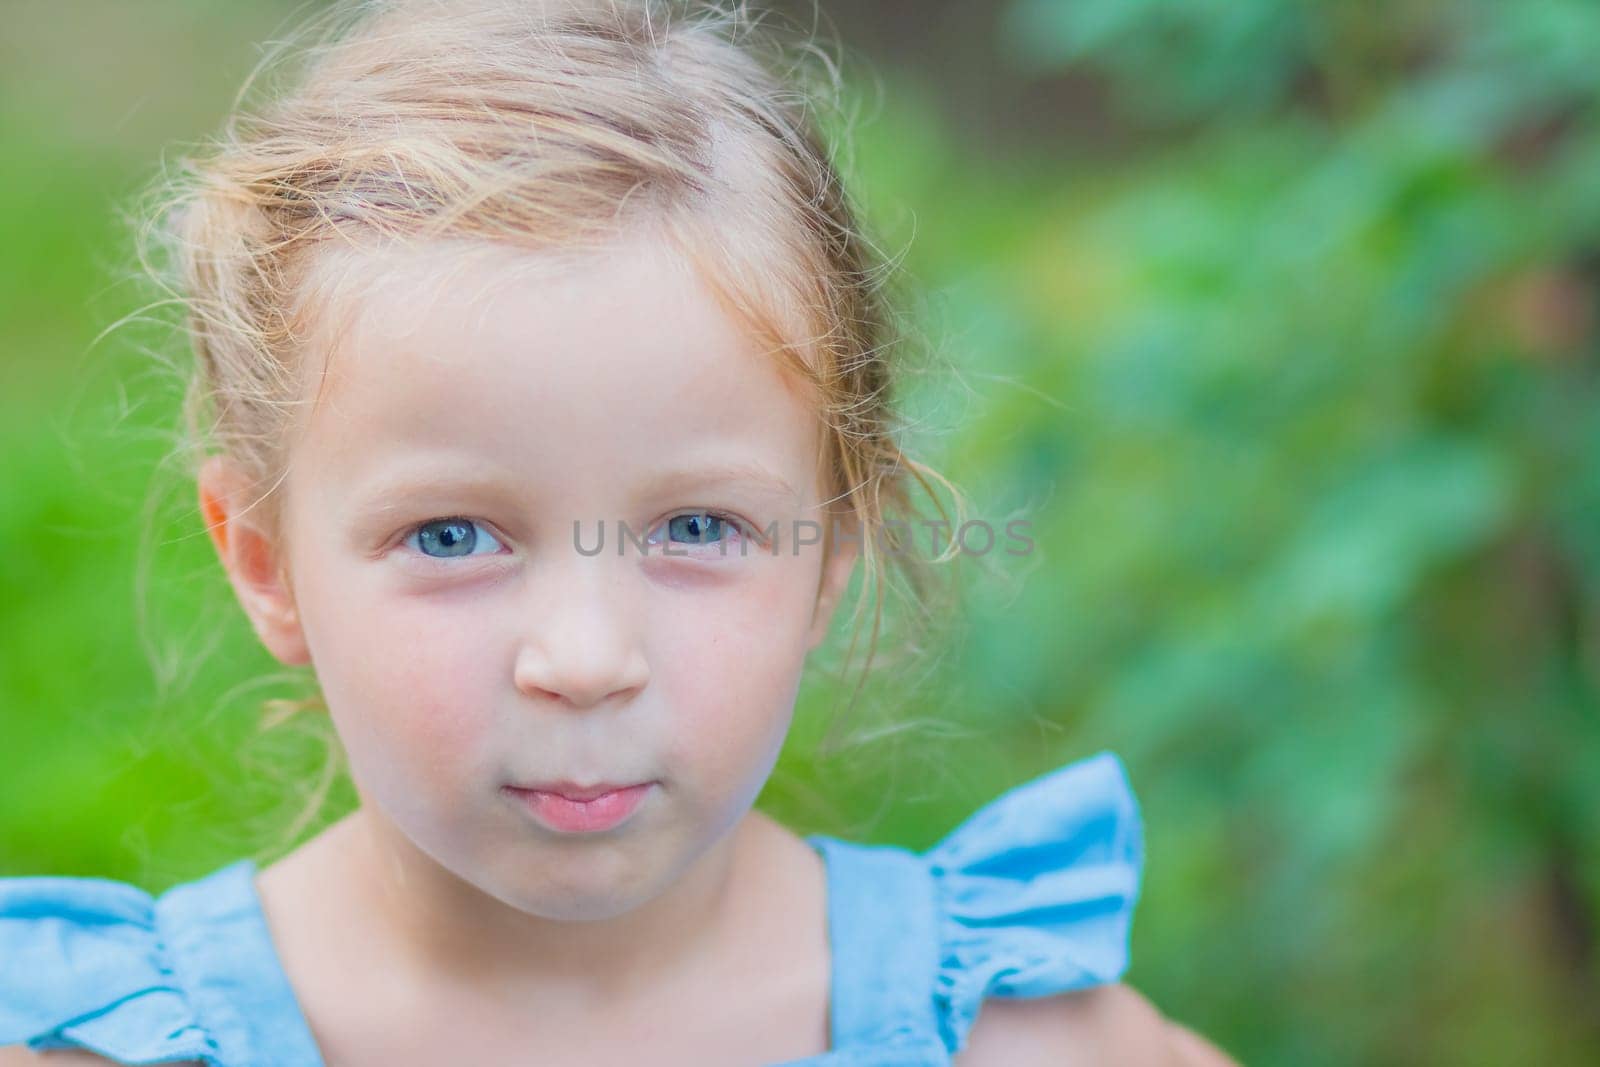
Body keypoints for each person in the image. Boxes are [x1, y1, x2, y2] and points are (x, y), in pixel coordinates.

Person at [0, 1, 1238, 1063]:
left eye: (697, 525)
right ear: (264, 563)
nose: (586, 657)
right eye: (450, 537)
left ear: (831, 552)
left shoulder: (1026, 1041)